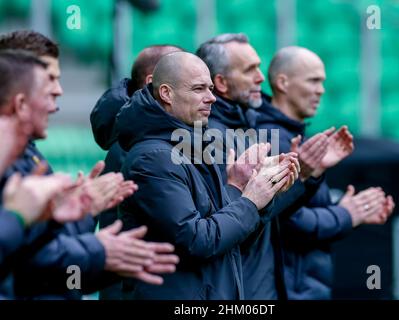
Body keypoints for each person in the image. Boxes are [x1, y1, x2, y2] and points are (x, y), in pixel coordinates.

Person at [0, 31, 179, 299]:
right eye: (49, 79)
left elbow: (51, 261)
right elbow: (28, 263)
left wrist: (86, 219)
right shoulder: (138, 150)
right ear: (20, 95)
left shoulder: (29, 157)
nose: (58, 90)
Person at [116, 51, 293, 299]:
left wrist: (251, 187)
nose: (211, 98)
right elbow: (196, 240)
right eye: (199, 89)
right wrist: (251, 200)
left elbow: (229, 239)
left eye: (210, 88)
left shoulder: (194, 145)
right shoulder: (153, 158)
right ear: (166, 93)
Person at [197, 33, 331, 299]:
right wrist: (303, 176)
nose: (261, 77)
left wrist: (303, 176)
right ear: (221, 83)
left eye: (259, 67)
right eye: (250, 70)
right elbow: (231, 225)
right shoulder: (211, 138)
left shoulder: (244, 127)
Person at [258, 45, 395, 299]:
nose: (321, 90)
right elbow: (285, 221)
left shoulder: (292, 136)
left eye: (322, 82)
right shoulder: (270, 140)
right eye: (313, 81)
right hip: (289, 289)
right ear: (282, 83)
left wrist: (349, 209)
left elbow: (298, 207)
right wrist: (346, 214)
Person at [90, 44, 183, 229]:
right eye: (186, 76)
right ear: (153, 83)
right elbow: (186, 230)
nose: (208, 95)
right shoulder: (134, 148)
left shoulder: (163, 136)